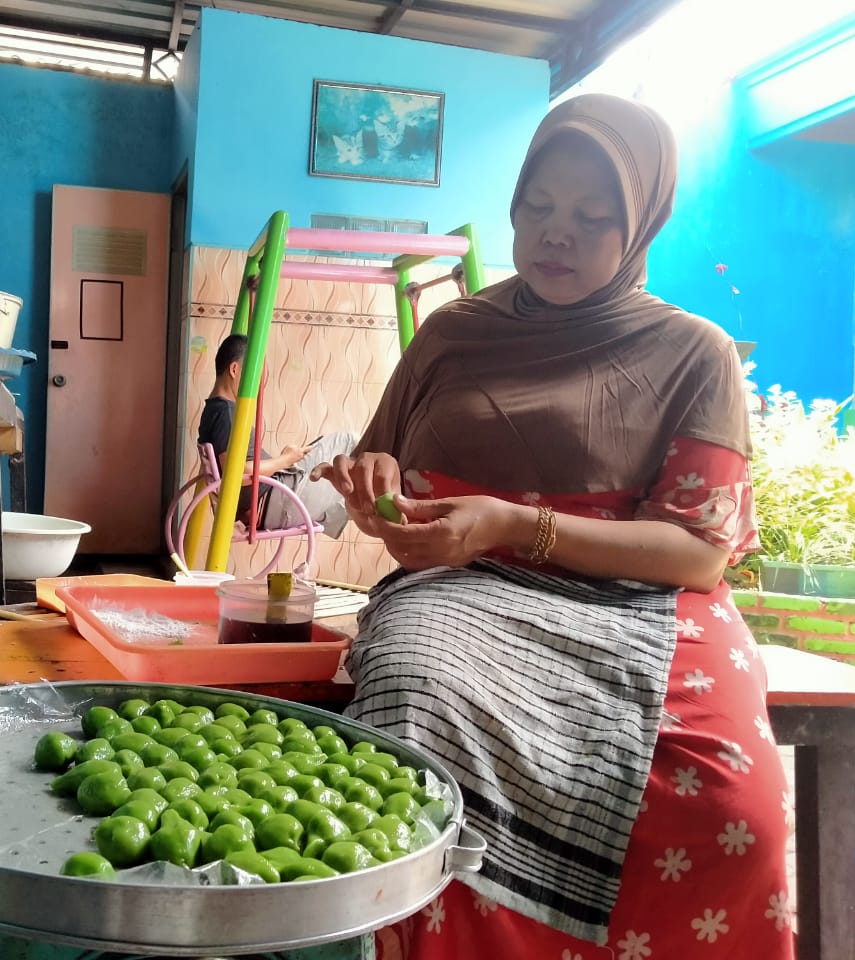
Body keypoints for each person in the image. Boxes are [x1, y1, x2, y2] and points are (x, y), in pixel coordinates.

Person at [316, 94, 793, 958]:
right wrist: (378, 492)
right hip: (459, 593)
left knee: (733, 805)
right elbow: (387, 480)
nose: (555, 234)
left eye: (591, 216)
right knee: (411, 727)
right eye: (537, 207)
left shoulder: (695, 353)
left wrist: (513, 525)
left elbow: (694, 554)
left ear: (641, 221)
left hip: (643, 605)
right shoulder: (453, 333)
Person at [198, 333, 356, 537]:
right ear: (235, 370)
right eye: (255, 375)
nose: (259, 384)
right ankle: (389, 496)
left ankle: (373, 504)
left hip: (275, 491)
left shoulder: (217, 409)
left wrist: (285, 459)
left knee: (343, 449)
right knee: (348, 455)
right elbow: (237, 474)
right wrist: (284, 460)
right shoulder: (225, 413)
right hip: (271, 500)